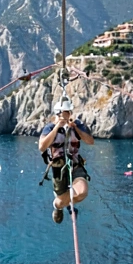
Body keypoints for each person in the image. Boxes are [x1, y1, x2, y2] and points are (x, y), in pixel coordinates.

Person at [39, 96, 95, 224]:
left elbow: (90, 141)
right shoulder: (49, 127)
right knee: (60, 201)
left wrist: (75, 127)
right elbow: (42, 146)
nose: (66, 116)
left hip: (75, 164)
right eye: (63, 113)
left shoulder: (77, 124)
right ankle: (59, 206)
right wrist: (57, 126)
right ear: (57, 114)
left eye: (68, 113)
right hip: (59, 168)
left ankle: (67, 203)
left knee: (82, 191)